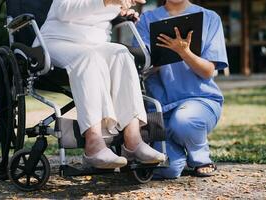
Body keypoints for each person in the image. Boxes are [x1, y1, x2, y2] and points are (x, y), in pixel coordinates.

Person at [33, 0, 166, 169]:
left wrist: (120, 11)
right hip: (56, 41)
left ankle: (133, 141)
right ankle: (94, 143)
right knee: (89, 58)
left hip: (95, 44)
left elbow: (96, 15)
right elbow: (63, 11)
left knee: (122, 54)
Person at [133, 0, 228, 178]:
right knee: (169, 170)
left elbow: (207, 71)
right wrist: (162, 56)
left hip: (201, 102)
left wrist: (185, 53)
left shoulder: (210, 18)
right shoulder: (147, 19)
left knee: (184, 120)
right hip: (161, 110)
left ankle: (200, 158)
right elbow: (141, 68)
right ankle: (176, 154)